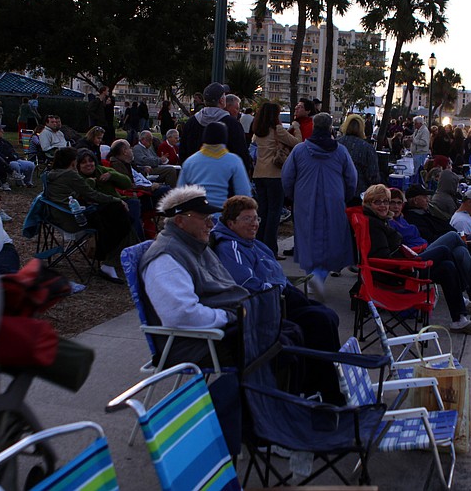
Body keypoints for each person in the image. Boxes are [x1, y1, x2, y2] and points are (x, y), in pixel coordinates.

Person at [211, 195, 343, 402]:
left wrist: (286, 287)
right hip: (268, 303)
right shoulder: (230, 247)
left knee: (327, 316)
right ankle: (327, 391)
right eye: (247, 219)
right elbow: (247, 284)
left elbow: (276, 273)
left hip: (283, 294)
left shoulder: (254, 243)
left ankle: (324, 383)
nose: (254, 224)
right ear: (231, 223)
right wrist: (278, 291)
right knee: (320, 321)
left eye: (256, 218)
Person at [139, 185, 249, 367]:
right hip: (197, 346)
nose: (211, 224)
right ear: (180, 221)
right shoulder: (165, 258)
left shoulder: (193, 243)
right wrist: (229, 316)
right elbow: (181, 316)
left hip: (217, 333)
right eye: (204, 218)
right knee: (281, 344)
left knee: (290, 327)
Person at [362, 185, 471, 335]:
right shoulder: (374, 224)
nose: (384, 206)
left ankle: (459, 320)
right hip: (397, 272)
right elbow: (383, 258)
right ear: (368, 203)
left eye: (385, 202)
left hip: (404, 264)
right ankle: (465, 294)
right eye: (378, 202)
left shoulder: (382, 220)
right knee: (445, 249)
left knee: (447, 267)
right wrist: (406, 257)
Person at [387, 186, 471, 311]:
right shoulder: (399, 221)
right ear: (415, 201)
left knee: (461, 251)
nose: (396, 207)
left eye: (399, 203)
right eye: (392, 203)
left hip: (425, 249)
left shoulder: (404, 219)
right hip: (417, 257)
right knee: (454, 237)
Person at [282, 113, 356, 292]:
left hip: (305, 201)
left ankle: (312, 274)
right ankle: (319, 275)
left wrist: (293, 197)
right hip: (334, 200)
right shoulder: (340, 151)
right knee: (330, 239)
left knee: (308, 238)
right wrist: (344, 196)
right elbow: (351, 178)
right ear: (331, 128)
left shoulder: (300, 150)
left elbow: (287, 177)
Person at [45, 147, 134, 283]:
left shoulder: (54, 174)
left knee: (119, 216)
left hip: (59, 215)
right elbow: (92, 194)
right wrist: (117, 199)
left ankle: (114, 260)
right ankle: (111, 261)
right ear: (73, 162)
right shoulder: (70, 175)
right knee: (119, 215)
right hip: (73, 218)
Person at [251, 102, 298, 257]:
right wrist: (296, 128)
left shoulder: (258, 131)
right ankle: (271, 248)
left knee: (262, 211)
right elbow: (296, 143)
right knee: (274, 212)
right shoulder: (277, 130)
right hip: (275, 174)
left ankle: (259, 245)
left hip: (259, 173)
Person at [180, 82, 252, 173]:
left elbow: (183, 152)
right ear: (222, 100)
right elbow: (241, 154)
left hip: (196, 178)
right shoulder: (232, 124)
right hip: (224, 180)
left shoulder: (191, 122)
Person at [76, 148, 146, 241]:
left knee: (134, 204)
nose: (88, 164)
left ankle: (135, 240)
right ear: (78, 165)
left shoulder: (101, 170)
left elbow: (127, 183)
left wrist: (112, 175)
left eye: (91, 161)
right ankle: (135, 241)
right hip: (98, 208)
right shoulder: (77, 178)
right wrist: (90, 183)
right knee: (127, 211)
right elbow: (86, 195)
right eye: (84, 162)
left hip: (116, 202)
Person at [178, 122, 250, 208]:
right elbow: (244, 193)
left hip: (196, 214)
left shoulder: (190, 161)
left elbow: (180, 192)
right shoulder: (234, 161)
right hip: (223, 214)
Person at [338, 114, 380, 200]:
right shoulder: (367, 148)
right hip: (359, 193)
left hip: (337, 191)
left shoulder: (336, 144)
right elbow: (373, 175)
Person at [0, 122, 36, 187]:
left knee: (31, 164)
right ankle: (20, 183)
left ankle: (28, 182)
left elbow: (12, 150)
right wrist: (7, 158)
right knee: (15, 165)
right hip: (5, 162)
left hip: (15, 159)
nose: (3, 131)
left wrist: (17, 157)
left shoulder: (3, 141)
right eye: (0, 129)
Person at [409, 115, 430, 180]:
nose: (414, 125)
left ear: (420, 123)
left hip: (420, 153)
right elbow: (414, 137)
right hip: (416, 153)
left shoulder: (425, 131)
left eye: (415, 123)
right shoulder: (417, 130)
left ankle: (418, 183)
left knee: (418, 171)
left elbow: (424, 142)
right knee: (416, 170)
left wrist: (414, 141)